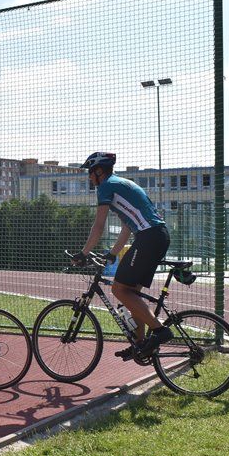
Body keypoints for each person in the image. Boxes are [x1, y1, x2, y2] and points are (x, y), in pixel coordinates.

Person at [75, 152, 171, 358]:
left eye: (90, 173)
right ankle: (141, 344)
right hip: (157, 236)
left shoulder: (106, 186)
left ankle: (160, 331)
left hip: (148, 237)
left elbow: (98, 226)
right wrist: (112, 254)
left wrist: (83, 254)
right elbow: (127, 227)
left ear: (99, 171)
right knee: (130, 294)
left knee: (119, 290)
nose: (90, 178)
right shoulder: (122, 184)